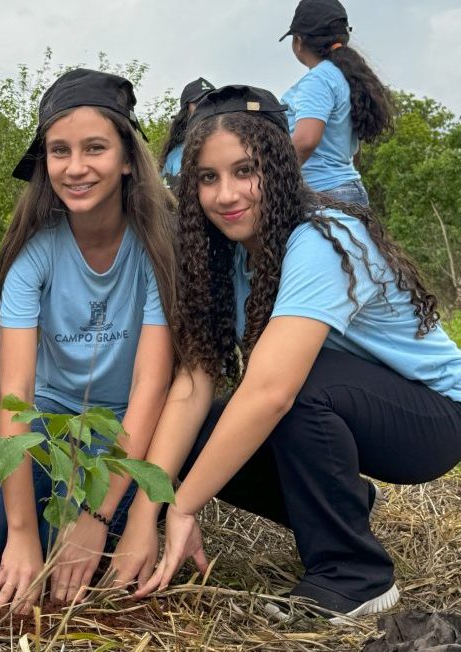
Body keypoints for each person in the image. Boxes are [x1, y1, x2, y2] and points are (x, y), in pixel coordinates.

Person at [118, 85, 461, 622]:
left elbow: (273, 391)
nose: (225, 194)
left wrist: (185, 505)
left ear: (278, 167)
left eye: (244, 171)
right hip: (353, 407)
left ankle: (355, 576)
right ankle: (344, 505)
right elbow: (191, 387)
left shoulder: (323, 237)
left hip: (433, 417)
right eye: (207, 178)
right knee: (204, 425)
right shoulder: (228, 259)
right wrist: (148, 509)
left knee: (286, 388)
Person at [0, 68, 177, 614]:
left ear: (128, 158)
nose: (75, 167)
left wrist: (97, 518)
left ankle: (111, 509)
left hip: (122, 428)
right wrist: (21, 533)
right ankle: (47, 518)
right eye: (59, 151)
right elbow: (14, 392)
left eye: (95, 148)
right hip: (52, 426)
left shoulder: (157, 251)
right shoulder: (34, 254)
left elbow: (151, 387)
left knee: (109, 533)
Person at [280, 0, 393, 205]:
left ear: (298, 41)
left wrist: (275, 180)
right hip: (349, 188)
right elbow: (355, 151)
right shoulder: (346, 76)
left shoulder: (317, 80)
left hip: (322, 194)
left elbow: (306, 140)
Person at [159, 77, 215, 190]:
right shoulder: (175, 157)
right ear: (186, 110)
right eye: (199, 103)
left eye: (211, 102)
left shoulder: (235, 144)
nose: (206, 108)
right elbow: (169, 202)